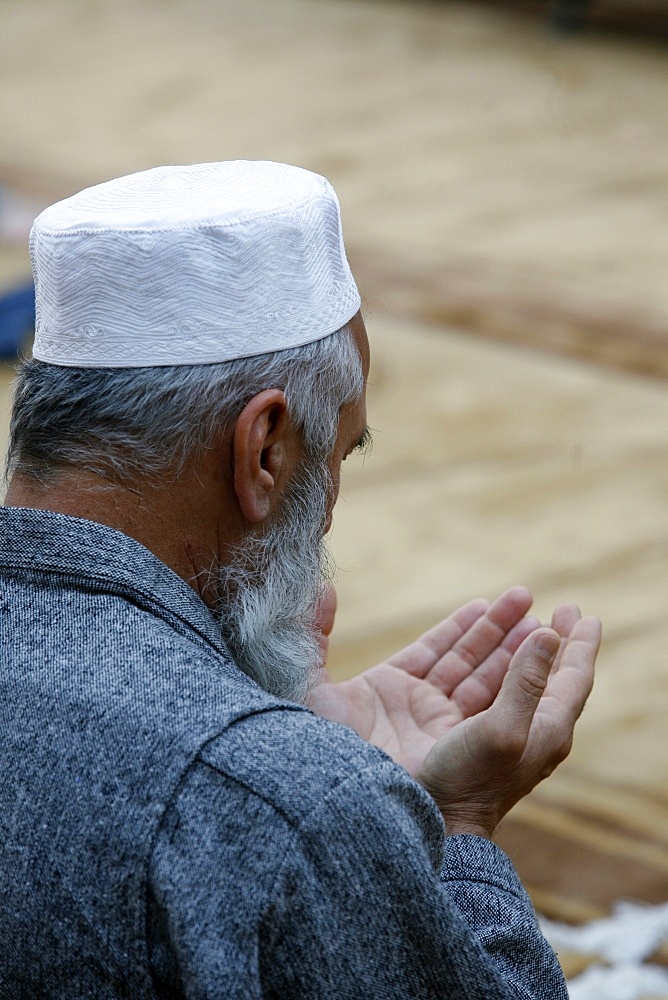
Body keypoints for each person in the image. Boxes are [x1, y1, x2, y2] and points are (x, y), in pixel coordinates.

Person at [0, 160, 600, 998]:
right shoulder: (287, 811)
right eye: (341, 452)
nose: (327, 514)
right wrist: (455, 829)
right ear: (267, 450)